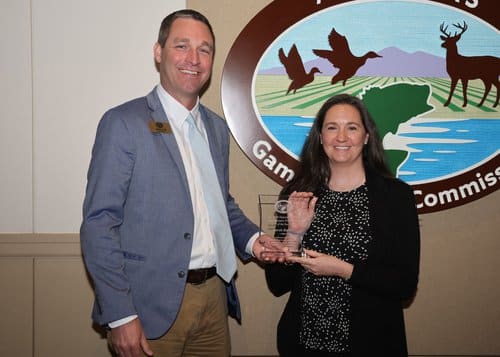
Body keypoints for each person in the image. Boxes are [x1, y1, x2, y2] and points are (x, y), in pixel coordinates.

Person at [80, 9, 280, 357]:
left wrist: (253, 241)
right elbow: (99, 224)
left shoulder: (216, 129)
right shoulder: (123, 123)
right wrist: (121, 314)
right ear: (158, 52)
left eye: (205, 49)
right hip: (147, 307)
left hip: (214, 300)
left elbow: (218, 203)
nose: (194, 59)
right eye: (182, 45)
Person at [265, 93, 420, 356]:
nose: (341, 137)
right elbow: (278, 283)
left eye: (352, 128)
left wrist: (344, 270)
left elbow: (404, 285)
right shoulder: (298, 194)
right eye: (332, 127)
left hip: (372, 344)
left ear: (367, 136)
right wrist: (293, 234)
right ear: (320, 137)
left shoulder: (396, 197)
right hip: (304, 345)